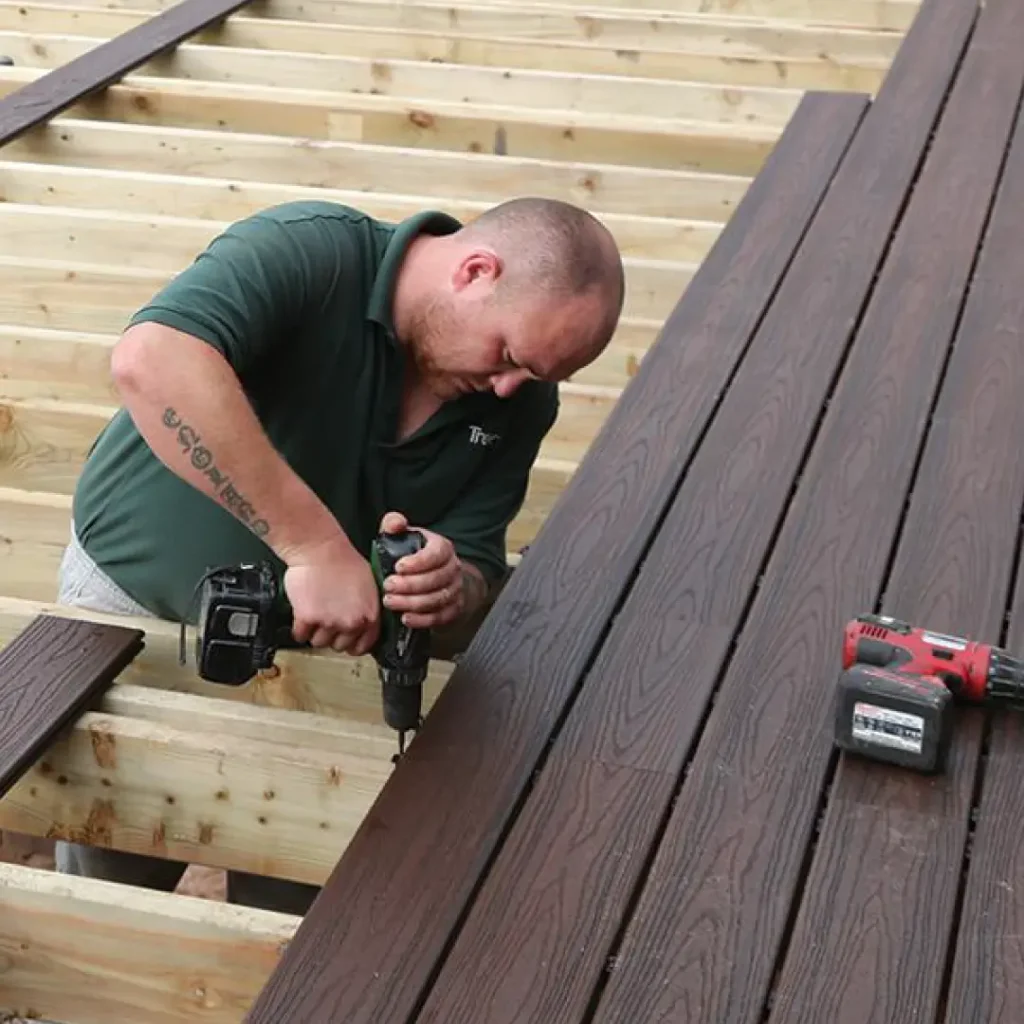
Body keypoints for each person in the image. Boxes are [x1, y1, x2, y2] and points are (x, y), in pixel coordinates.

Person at [53, 196, 625, 915]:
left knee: (294, 895)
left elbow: (478, 555)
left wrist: (452, 586)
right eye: (508, 355)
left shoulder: (520, 401)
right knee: (112, 883)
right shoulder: (312, 254)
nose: (511, 386)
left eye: (539, 374)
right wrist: (315, 548)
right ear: (476, 271)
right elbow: (152, 359)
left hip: (320, 671)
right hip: (135, 620)